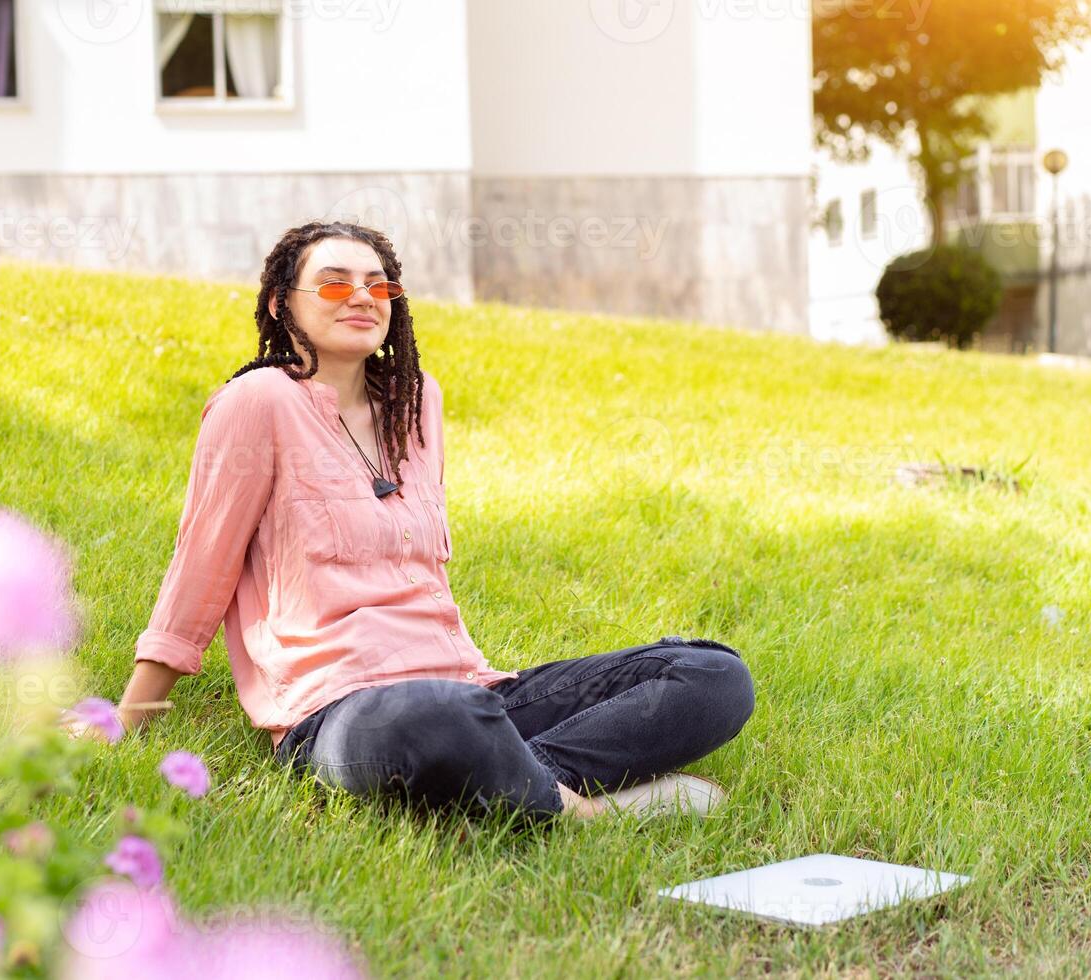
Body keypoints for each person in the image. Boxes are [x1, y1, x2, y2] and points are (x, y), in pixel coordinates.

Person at [105, 220, 755, 825]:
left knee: (713, 676)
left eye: (379, 284)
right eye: (334, 282)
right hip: (342, 713)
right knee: (437, 716)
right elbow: (202, 564)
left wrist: (479, 714)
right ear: (282, 304)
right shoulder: (258, 401)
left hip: (472, 690)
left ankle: (504, 782)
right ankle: (583, 810)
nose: (362, 296)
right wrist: (131, 715)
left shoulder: (417, 402)